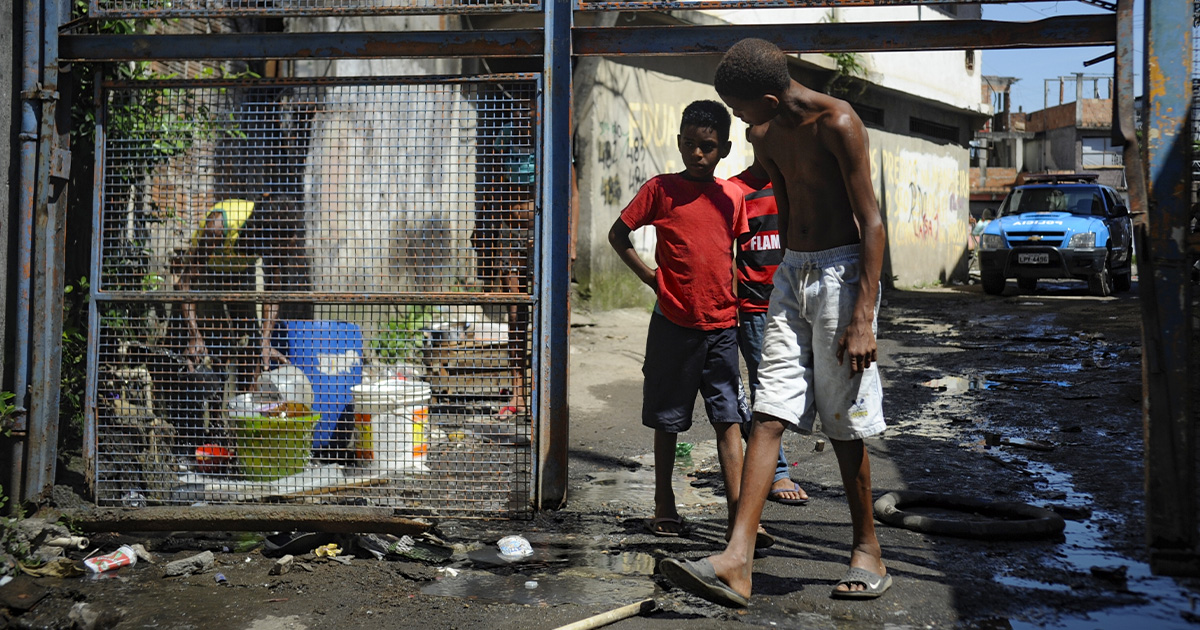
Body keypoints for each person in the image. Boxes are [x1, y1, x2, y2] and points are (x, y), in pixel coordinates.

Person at [660, 38, 890, 605]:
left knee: (844, 419)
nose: (738, 120)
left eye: (740, 108)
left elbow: (873, 222)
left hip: (843, 273)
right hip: (792, 274)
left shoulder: (838, 123)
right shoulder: (766, 134)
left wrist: (863, 315)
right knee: (768, 410)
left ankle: (869, 551)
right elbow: (765, 188)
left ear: (767, 96)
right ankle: (736, 562)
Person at [608, 100, 764, 544]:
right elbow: (618, 235)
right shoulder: (660, 189)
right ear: (679, 143)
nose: (698, 154)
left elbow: (732, 255)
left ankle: (740, 517)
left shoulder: (732, 197)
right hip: (673, 325)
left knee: (728, 419)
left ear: (725, 149)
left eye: (708, 147)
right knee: (668, 419)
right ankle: (664, 504)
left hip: (721, 328)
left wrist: (736, 301)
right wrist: (654, 280)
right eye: (691, 145)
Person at [730, 139, 809, 508]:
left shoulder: (797, 188)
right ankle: (776, 472)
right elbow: (726, 251)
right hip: (756, 307)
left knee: (799, 384)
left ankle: (766, 465)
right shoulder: (736, 191)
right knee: (766, 387)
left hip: (797, 305)